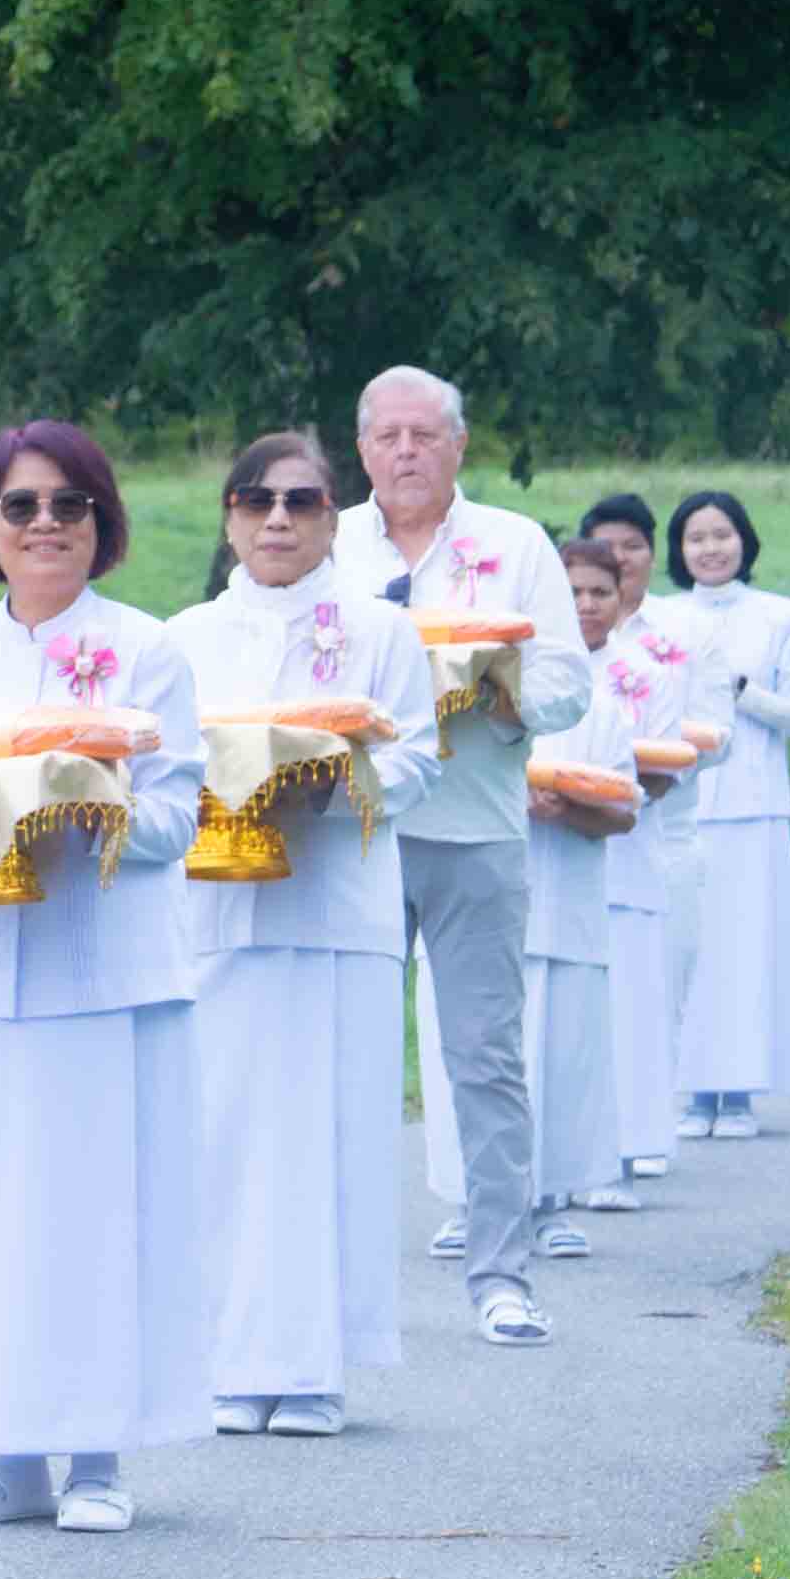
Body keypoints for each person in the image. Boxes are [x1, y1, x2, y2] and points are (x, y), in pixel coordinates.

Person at [0, 422, 210, 1536]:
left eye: (68, 505)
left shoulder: (146, 651)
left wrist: (84, 815)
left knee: (93, 1211)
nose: (43, 525)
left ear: (102, 521)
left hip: (101, 968)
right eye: (19, 506)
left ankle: (97, 1453)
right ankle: (2, 1452)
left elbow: (180, 816)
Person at [174, 430, 441, 1437]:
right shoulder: (182, 636)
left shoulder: (379, 631)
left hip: (336, 909)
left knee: (331, 1134)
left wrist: (325, 787)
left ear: (332, 516)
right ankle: (235, 1360)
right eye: (253, 501)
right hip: (219, 913)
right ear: (229, 517)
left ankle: (319, 1364)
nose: (274, 519)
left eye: (296, 501)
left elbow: (414, 761)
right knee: (230, 1135)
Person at [345, 365, 593, 1344]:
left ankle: (500, 1276)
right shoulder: (330, 547)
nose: (405, 451)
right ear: (360, 448)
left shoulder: (511, 544)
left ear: (457, 445)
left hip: (476, 829)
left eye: (423, 434)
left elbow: (570, 685)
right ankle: (337, 1282)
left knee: (482, 1058)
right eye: (386, 435)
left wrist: (491, 691)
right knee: (343, 1057)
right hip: (354, 836)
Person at [668, 487, 790, 1131]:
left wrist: (740, 690)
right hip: (683, 803)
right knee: (689, 949)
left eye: (722, 535)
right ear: (679, 550)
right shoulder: (661, 618)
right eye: (697, 537)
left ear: (745, 541)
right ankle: (690, 1090)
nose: (711, 548)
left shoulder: (779, 616)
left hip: (755, 807)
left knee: (745, 951)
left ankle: (738, 1093)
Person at [574, 493, 696, 1192]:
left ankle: (625, 1151)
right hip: (556, 862)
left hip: (629, 852)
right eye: (576, 594)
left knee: (631, 1009)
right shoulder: (535, 675)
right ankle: (569, 1154)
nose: (589, 605)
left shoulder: (644, 675)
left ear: (624, 596)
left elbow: (668, 768)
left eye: (601, 592)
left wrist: (611, 794)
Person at [517, 539, 635, 1258]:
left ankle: (553, 1199)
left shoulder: (606, 708)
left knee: (565, 1057)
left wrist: (569, 809)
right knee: (494, 1060)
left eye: (596, 592)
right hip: (497, 901)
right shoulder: (493, 684)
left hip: (573, 906)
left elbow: (624, 811)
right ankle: (478, 1201)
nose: (581, 606)